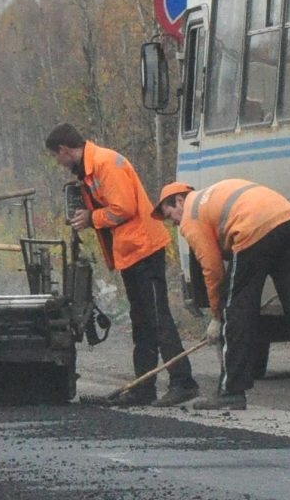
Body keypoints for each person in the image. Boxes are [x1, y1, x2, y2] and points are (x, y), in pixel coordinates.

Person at [45, 123, 197, 408]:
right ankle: (143, 387)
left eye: (57, 156)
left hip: (144, 249)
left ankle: (183, 382)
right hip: (131, 251)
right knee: (142, 322)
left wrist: (92, 218)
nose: (59, 162)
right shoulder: (91, 170)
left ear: (65, 150)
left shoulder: (104, 164)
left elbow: (123, 208)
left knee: (158, 317)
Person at [155, 178, 290, 413]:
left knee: (237, 313)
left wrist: (217, 315)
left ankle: (231, 391)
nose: (174, 224)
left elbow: (212, 268)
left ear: (179, 200)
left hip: (253, 230)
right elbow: (280, 211)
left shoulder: (191, 215)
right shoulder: (215, 195)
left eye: (170, 216)